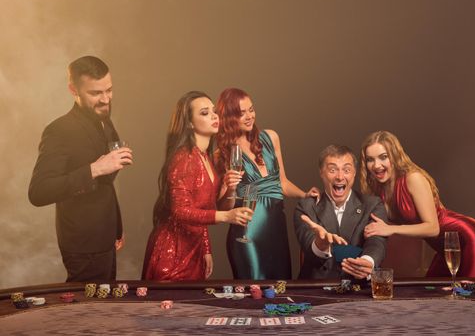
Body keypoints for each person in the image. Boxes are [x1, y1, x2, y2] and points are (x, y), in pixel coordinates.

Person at [29, 56, 132, 282]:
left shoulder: (104, 118)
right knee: (87, 314)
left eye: (109, 90)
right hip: (83, 245)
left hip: (105, 237)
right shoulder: (59, 130)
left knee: (102, 311)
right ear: (73, 90)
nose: (105, 99)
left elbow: (105, 184)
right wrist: (94, 169)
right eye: (96, 93)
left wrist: (116, 226)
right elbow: (38, 192)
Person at [142, 91, 253, 281]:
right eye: (204, 113)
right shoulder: (184, 158)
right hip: (172, 252)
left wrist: (231, 188)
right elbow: (181, 211)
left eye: (214, 111)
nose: (213, 116)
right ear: (190, 123)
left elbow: (209, 209)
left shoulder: (206, 158)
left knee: (192, 307)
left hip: (194, 248)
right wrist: (226, 216)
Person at [215, 88, 319, 280]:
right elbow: (224, 208)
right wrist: (230, 188)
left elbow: (282, 183)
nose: (249, 116)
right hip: (247, 234)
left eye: (251, 110)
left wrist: (304, 195)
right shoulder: (222, 154)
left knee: (280, 290)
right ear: (229, 118)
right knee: (253, 291)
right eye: (241, 113)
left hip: (276, 230)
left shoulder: (270, 137)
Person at [360, 130, 475, 278]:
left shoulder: (413, 178)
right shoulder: (378, 189)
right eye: (370, 160)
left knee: (468, 295)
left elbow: (433, 228)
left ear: (395, 155)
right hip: (444, 248)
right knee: (434, 294)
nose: (376, 165)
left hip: (468, 238)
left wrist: (391, 229)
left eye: (383, 157)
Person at [294, 145, 388, 279]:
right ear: (321, 172)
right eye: (332, 170)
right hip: (316, 288)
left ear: (354, 173)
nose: (340, 177)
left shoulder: (373, 205)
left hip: (359, 287)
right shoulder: (305, 207)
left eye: (346, 170)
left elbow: (376, 242)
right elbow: (309, 247)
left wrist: (367, 261)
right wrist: (320, 245)